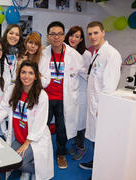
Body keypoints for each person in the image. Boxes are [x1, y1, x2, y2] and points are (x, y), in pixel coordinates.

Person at [0, 60, 54, 180]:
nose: (26, 76)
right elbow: (4, 108)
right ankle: (27, 169)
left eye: (31, 73)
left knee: (20, 162)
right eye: (23, 72)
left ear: (36, 77)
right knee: (10, 161)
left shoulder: (41, 96)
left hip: (34, 139)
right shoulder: (12, 90)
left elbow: (39, 124)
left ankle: (34, 171)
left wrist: (26, 143)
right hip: (19, 136)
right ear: (19, 74)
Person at [79, 21, 122, 171]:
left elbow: (110, 85)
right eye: (90, 34)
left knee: (102, 139)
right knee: (96, 138)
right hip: (94, 103)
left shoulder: (111, 54)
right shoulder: (96, 53)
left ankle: (100, 171)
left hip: (101, 105)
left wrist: (102, 106)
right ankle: (96, 163)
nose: (92, 36)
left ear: (103, 32)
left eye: (96, 33)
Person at [44, 21, 84, 169]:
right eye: (53, 34)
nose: (56, 37)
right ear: (48, 36)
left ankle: (61, 154)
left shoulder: (73, 54)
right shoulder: (43, 54)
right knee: (42, 128)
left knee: (62, 130)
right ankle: (41, 153)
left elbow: (85, 73)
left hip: (64, 99)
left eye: (60, 34)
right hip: (46, 98)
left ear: (63, 35)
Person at [64, 26, 92, 161]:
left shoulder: (86, 54)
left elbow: (88, 75)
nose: (73, 38)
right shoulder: (65, 52)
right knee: (71, 120)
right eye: (71, 35)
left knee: (79, 121)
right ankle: (75, 143)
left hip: (81, 92)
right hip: (69, 92)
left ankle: (81, 146)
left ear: (81, 39)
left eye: (77, 36)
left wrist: (78, 70)